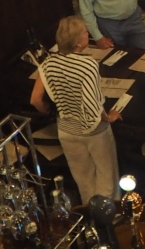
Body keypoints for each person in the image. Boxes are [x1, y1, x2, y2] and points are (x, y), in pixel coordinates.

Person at [31, 16, 121, 202]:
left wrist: (50, 111)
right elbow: (94, 105)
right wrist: (109, 117)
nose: (88, 35)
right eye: (85, 33)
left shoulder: (48, 63)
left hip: (66, 130)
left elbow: (35, 100)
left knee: (83, 180)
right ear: (78, 42)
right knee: (107, 177)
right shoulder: (88, 65)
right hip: (94, 131)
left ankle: (89, 212)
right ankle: (108, 214)